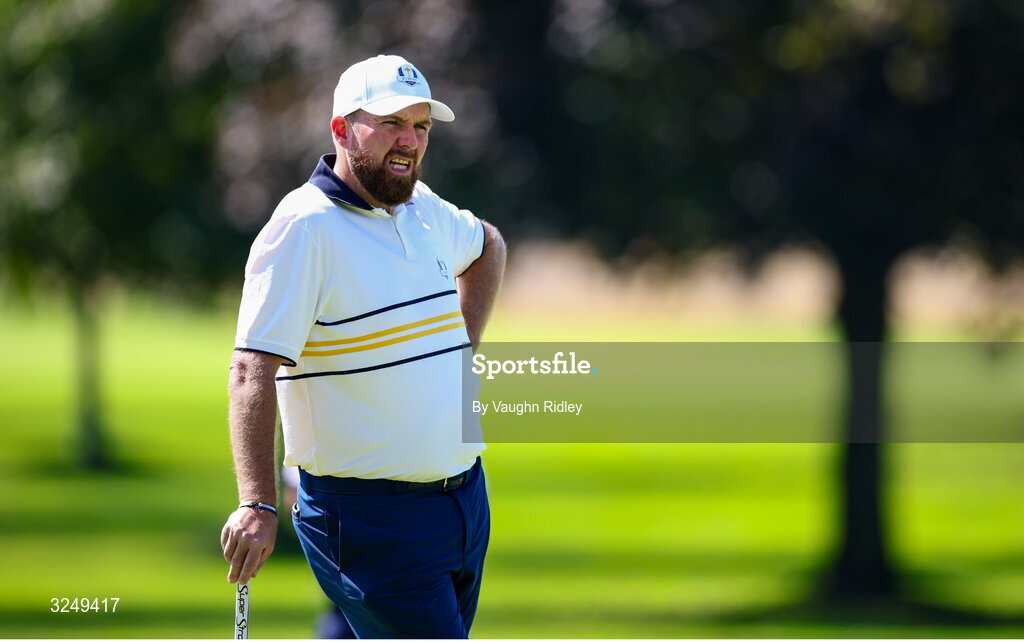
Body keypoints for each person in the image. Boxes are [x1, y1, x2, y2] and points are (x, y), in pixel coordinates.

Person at [219, 54, 506, 638]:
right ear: (342, 130)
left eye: (422, 126)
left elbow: (488, 247)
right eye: (391, 123)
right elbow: (252, 369)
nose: (410, 141)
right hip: (367, 517)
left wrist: (460, 354)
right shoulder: (302, 228)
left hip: (463, 501)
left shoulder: (423, 208)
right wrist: (257, 502)